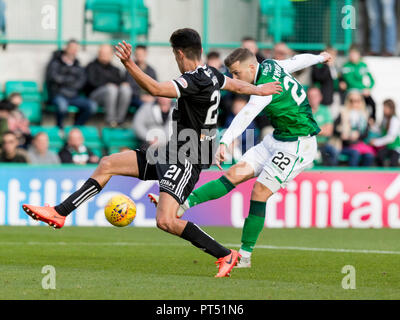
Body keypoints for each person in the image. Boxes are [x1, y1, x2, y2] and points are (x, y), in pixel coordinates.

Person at [21, 28, 282, 278]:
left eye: (174, 55)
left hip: (187, 158)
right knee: (108, 163)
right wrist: (258, 89)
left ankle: (225, 254)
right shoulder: (212, 74)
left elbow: (156, 89)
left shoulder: (193, 79)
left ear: (179, 54)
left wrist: (128, 63)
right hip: (171, 150)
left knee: (166, 221)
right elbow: (235, 85)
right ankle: (60, 212)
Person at [149, 48, 332, 268]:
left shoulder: (264, 90)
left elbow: (246, 114)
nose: (235, 79)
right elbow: (297, 61)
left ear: (252, 68)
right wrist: (320, 57)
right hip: (276, 139)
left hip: (298, 145)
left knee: (259, 191)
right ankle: (181, 206)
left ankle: (244, 256)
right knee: (233, 174)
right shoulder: (273, 65)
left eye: (237, 73)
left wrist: (225, 141)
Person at [45, 39, 97, 128]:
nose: (73, 51)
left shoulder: (78, 65)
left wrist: (65, 81)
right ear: (66, 48)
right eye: (71, 48)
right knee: (62, 107)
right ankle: (60, 128)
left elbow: (81, 82)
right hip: (58, 94)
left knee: (92, 106)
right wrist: (71, 80)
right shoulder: (55, 62)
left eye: (75, 49)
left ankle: (75, 128)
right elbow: (54, 78)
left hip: (74, 96)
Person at [85, 44, 132, 127]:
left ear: (111, 55)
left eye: (107, 53)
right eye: (102, 53)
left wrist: (122, 84)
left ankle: (119, 120)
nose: (104, 55)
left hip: (113, 95)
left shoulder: (115, 69)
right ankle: (110, 121)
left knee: (126, 89)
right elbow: (91, 83)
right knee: (111, 88)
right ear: (98, 53)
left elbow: (120, 83)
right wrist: (107, 84)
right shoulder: (91, 66)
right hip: (95, 96)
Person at [335, 90, 375, 167]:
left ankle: (363, 176)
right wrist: (343, 135)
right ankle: (351, 176)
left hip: (359, 144)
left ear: (361, 101)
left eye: (357, 101)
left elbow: (366, 133)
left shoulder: (364, 114)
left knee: (369, 156)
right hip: (345, 145)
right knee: (355, 153)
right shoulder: (343, 112)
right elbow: (334, 130)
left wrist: (358, 135)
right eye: (351, 100)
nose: (354, 103)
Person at [339, 45, 376, 120]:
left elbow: (372, 80)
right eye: (351, 54)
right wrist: (341, 84)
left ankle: (371, 121)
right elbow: (344, 80)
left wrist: (368, 88)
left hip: (361, 91)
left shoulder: (363, 65)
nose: (352, 56)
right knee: (342, 106)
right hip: (349, 91)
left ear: (358, 54)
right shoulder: (346, 66)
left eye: (354, 54)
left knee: (373, 104)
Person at [308, 87, 338, 166]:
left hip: (323, 143)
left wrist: (312, 129)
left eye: (315, 96)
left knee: (333, 152)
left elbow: (329, 131)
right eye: (310, 96)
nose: (313, 99)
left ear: (320, 97)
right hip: (308, 144)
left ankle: (331, 175)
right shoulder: (304, 112)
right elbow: (303, 130)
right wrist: (322, 128)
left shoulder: (325, 110)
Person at [370, 99, 400, 167]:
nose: (384, 110)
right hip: (388, 147)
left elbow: (391, 138)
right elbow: (380, 130)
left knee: (393, 162)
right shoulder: (385, 119)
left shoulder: (394, 120)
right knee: (379, 156)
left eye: (385, 107)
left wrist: (376, 142)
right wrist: (372, 125)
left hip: (395, 148)